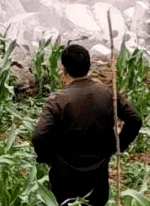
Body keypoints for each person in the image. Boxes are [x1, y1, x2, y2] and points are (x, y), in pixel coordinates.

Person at [32, 43, 143, 205]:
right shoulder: (107, 93)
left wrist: (50, 159)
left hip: (64, 176)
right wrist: (117, 145)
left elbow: (39, 136)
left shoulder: (57, 101)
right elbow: (135, 120)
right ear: (89, 66)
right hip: (97, 175)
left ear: (64, 70)